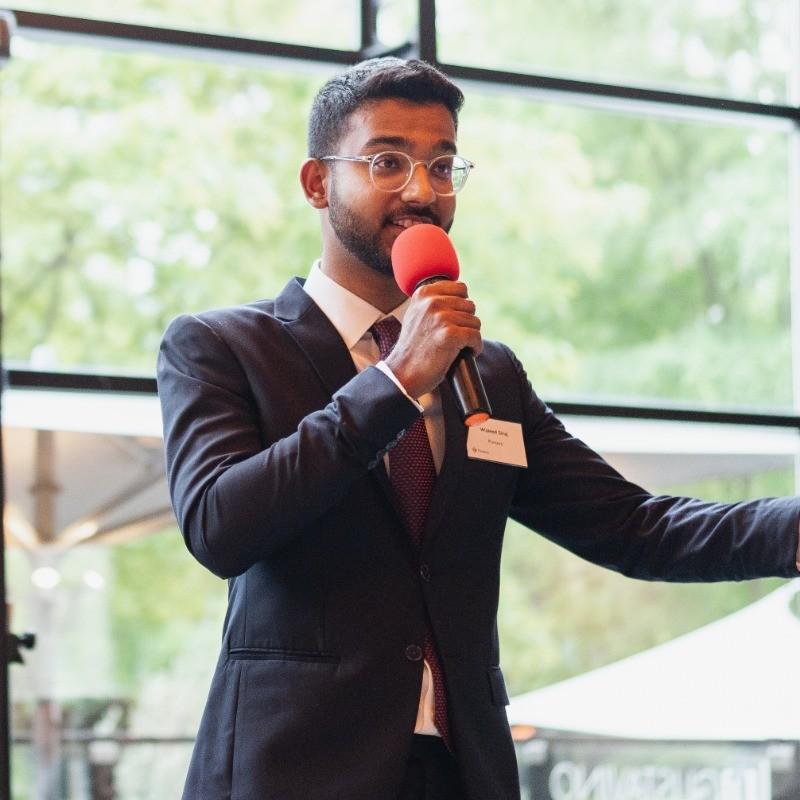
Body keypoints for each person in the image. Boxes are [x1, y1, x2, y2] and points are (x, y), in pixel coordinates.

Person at [156, 57, 800, 800]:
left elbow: (635, 526)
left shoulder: (486, 373)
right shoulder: (222, 346)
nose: (421, 190)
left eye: (442, 164)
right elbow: (219, 526)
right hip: (294, 767)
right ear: (316, 182)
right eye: (387, 161)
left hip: (463, 768)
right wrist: (395, 382)